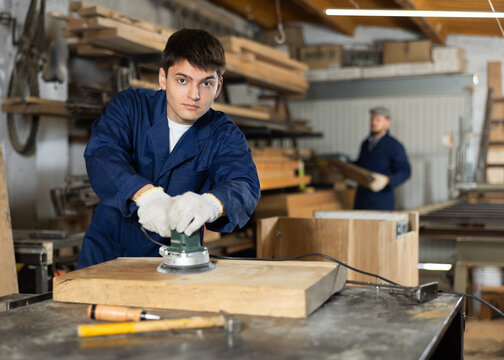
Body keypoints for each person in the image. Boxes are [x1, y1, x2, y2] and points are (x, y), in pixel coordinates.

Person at [77, 29, 261, 269]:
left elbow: (244, 183)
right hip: (107, 254)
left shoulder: (223, 133)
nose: (194, 95)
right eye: (182, 80)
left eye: (206, 83)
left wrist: (212, 204)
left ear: (218, 87)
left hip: (179, 261)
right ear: (163, 78)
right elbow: (103, 154)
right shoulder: (129, 107)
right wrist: (146, 196)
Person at [353, 106, 411, 211]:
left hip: (382, 201)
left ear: (387, 123)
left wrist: (387, 180)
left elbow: (405, 171)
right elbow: (361, 165)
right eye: (372, 119)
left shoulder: (394, 146)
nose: (373, 123)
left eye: (378, 120)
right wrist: (345, 165)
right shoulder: (365, 144)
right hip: (361, 199)